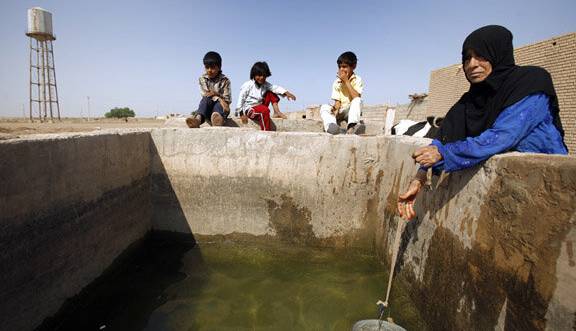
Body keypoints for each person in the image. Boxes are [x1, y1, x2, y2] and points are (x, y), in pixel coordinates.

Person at [398, 25, 568, 220]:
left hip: (550, 190)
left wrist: (443, 154)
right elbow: (442, 138)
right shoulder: (469, 101)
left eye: (481, 56)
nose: (472, 64)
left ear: (498, 54)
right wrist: (419, 177)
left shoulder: (531, 82)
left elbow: (501, 136)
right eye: (467, 58)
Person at [236, 61, 296, 131]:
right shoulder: (247, 85)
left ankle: (276, 112)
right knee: (264, 111)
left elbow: (275, 88)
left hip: (261, 106)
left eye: (264, 76)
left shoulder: (265, 84)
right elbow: (241, 99)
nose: (261, 78)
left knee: (271, 92)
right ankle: (266, 132)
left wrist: (286, 93)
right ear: (254, 75)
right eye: (259, 75)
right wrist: (241, 114)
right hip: (250, 109)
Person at [320, 51, 365, 135]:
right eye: (339, 67)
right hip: (341, 110)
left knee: (358, 100)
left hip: (350, 111)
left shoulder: (358, 80)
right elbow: (337, 102)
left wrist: (346, 81)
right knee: (324, 107)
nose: (341, 69)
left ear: (353, 66)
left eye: (344, 67)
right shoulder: (336, 82)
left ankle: (352, 127)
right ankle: (331, 126)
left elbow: (356, 97)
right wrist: (335, 109)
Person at [186, 51, 232, 128]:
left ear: (219, 67)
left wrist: (215, 94)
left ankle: (217, 119)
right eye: (207, 67)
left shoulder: (225, 80)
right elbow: (207, 94)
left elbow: (227, 100)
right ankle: (198, 120)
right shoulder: (203, 79)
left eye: (213, 67)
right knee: (206, 99)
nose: (209, 70)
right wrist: (219, 97)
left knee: (218, 105)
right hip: (208, 109)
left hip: (222, 110)